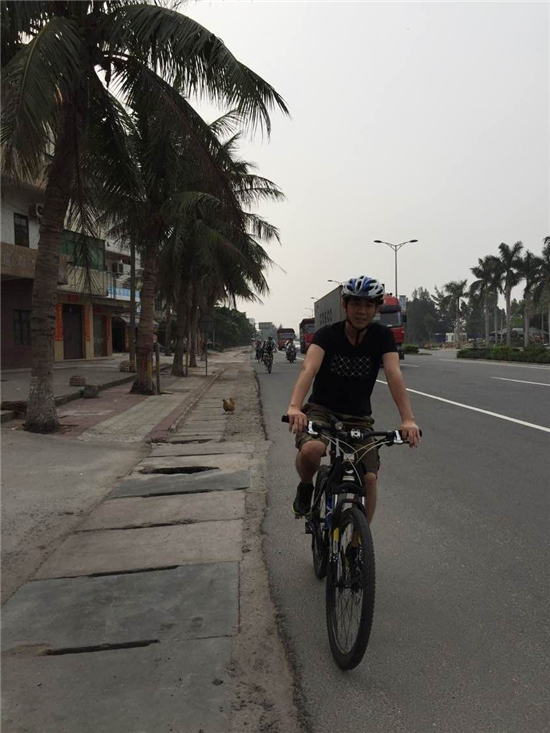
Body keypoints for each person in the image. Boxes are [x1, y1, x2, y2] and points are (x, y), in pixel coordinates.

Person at [286, 275, 421, 522]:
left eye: (369, 305)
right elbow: (309, 368)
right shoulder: (327, 335)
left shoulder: (382, 337)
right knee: (313, 449)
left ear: (377, 309)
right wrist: (295, 407)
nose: (362, 311)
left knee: (369, 477)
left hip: (358, 417)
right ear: (344, 306)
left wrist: (408, 420)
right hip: (322, 409)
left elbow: (393, 374)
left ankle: (359, 540)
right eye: (356, 303)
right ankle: (306, 485)